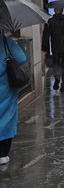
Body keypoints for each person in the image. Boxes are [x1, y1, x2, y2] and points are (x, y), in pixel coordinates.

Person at [0, 32, 27, 165]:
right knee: (7, 118)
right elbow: (22, 58)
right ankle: (3, 154)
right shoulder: (7, 42)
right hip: (6, 90)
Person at [41, 7, 64, 91]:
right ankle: (63, 85)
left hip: (55, 46)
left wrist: (44, 47)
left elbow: (46, 35)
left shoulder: (50, 21)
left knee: (56, 63)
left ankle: (57, 77)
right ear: (62, 10)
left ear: (54, 10)